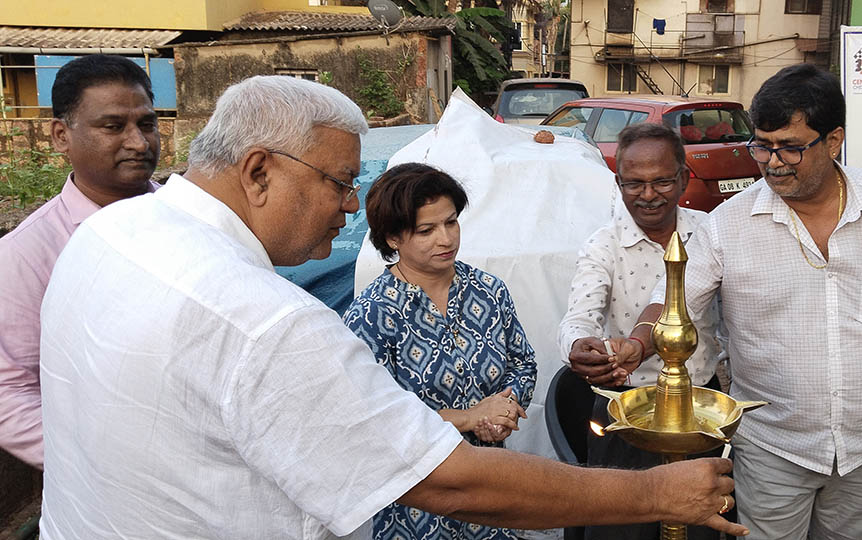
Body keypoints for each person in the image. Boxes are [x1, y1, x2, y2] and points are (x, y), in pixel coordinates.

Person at [36, 75, 747, 539]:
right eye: (342, 182)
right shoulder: (261, 319)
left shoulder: (110, 234)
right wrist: (650, 495)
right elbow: (449, 481)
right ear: (259, 171)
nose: (350, 206)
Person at [619, 64, 862, 539]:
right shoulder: (730, 225)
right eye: (762, 145)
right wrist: (637, 346)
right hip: (773, 447)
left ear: (834, 140)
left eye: (791, 147)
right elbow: (673, 300)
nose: (773, 162)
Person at [344, 163, 537, 540]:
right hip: (418, 504)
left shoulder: (487, 290)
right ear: (393, 238)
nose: (446, 239)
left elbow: (523, 362)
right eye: (426, 230)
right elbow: (372, 419)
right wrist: (468, 418)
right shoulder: (372, 314)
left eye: (451, 223)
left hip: (492, 487)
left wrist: (502, 411)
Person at [558, 122, 723, 540]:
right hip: (625, 414)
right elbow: (579, 315)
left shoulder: (711, 234)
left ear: (684, 177)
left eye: (662, 181)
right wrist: (581, 347)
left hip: (697, 414)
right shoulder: (604, 245)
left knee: (698, 530)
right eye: (634, 184)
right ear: (618, 183)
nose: (648, 195)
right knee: (621, 532)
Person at [0, 54, 159, 469]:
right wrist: (95, 469)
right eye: (112, 126)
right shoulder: (29, 252)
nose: (139, 143)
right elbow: (10, 390)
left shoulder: (196, 218)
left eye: (146, 124)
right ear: (60, 136)